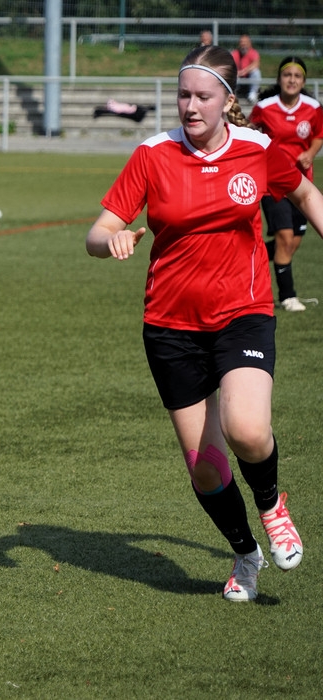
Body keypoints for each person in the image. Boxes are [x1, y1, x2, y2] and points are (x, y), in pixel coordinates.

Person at [86, 44, 323, 602]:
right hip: (170, 325)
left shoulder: (256, 149)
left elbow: (306, 193)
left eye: (202, 97)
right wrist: (111, 240)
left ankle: (272, 505)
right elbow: (98, 231)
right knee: (207, 471)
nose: (190, 107)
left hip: (243, 312)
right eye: (183, 96)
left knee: (247, 430)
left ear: (227, 100)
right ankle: (245, 555)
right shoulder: (152, 154)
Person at [249, 56, 323, 312]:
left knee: (291, 244)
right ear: (279, 79)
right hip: (272, 184)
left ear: (303, 81)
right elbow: (249, 132)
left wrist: (310, 153)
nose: (292, 80)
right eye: (287, 75)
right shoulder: (264, 107)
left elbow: (318, 135)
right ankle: (288, 296)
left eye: (297, 76)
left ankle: (246, 257)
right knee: (284, 237)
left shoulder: (313, 108)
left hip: (302, 186)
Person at [231, 34, 261, 102]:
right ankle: (232, 94)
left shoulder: (254, 53)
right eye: (241, 42)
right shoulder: (235, 53)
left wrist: (243, 71)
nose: (243, 44)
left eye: (245, 42)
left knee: (256, 72)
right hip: (238, 79)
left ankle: (252, 94)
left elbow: (256, 64)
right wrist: (237, 72)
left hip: (248, 78)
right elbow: (230, 65)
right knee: (231, 73)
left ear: (250, 43)